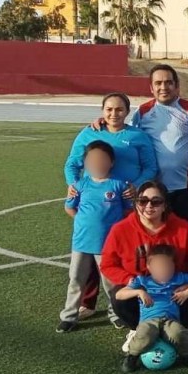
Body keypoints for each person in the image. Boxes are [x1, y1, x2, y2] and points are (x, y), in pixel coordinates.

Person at [65, 92, 158, 324]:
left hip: (126, 205)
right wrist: (74, 187)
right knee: (88, 260)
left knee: (121, 257)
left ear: (127, 112)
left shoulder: (137, 135)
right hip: (95, 206)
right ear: (102, 111)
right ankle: (84, 305)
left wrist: (135, 188)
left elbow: (150, 167)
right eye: (109, 109)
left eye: (119, 110)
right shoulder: (90, 133)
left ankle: (120, 305)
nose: (113, 114)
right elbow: (72, 163)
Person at [100, 181, 188, 351]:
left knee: (183, 335)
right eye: (142, 201)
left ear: (165, 205)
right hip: (141, 290)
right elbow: (108, 264)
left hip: (174, 290)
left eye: (156, 201)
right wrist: (130, 281)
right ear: (136, 203)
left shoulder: (182, 228)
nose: (149, 206)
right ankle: (137, 329)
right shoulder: (121, 230)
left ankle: (168, 329)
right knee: (119, 298)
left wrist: (187, 285)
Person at [57, 141, 130, 333]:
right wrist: (83, 222)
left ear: (111, 162)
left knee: (111, 282)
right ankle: (69, 316)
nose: (97, 163)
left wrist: (113, 230)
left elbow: (128, 211)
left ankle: (116, 313)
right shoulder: (80, 185)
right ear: (86, 163)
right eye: (92, 160)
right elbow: (69, 207)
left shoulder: (119, 185)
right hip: (81, 242)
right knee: (76, 279)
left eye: (102, 159)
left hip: (107, 245)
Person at [125, 64, 188, 229]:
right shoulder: (142, 112)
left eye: (169, 82)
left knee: (186, 237)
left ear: (176, 86)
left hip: (185, 188)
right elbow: (124, 135)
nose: (164, 87)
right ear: (151, 87)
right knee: (155, 238)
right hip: (152, 190)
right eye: (158, 83)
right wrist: (103, 123)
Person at [116, 244, 188, 372]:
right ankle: (132, 357)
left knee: (179, 333)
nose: (163, 270)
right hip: (149, 320)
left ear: (173, 266)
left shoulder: (177, 278)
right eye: (158, 267)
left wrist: (187, 291)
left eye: (167, 266)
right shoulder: (142, 281)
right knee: (145, 335)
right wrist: (139, 292)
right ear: (149, 267)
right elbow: (119, 295)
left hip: (170, 319)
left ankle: (187, 356)